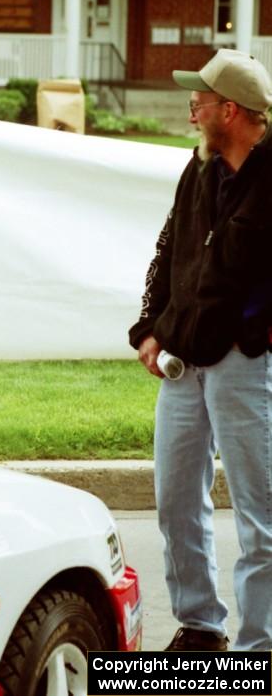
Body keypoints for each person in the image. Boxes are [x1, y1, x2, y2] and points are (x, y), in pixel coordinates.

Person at [129, 48, 272, 652]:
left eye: (201, 99)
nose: (192, 107)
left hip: (245, 360)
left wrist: (174, 326)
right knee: (175, 501)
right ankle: (198, 627)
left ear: (230, 110)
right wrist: (149, 326)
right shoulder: (201, 168)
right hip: (184, 365)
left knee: (258, 515)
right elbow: (174, 249)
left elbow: (225, 274)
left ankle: (257, 649)